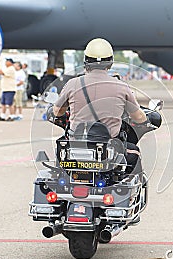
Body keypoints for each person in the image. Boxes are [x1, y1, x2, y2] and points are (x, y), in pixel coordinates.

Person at [53, 38, 148, 172]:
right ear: (110, 62)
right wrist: (145, 119)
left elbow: (57, 112)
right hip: (110, 147)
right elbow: (139, 117)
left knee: (61, 150)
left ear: (86, 61)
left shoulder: (73, 84)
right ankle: (133, 191)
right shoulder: (121, 87)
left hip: (76, 146)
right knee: (134, 153)